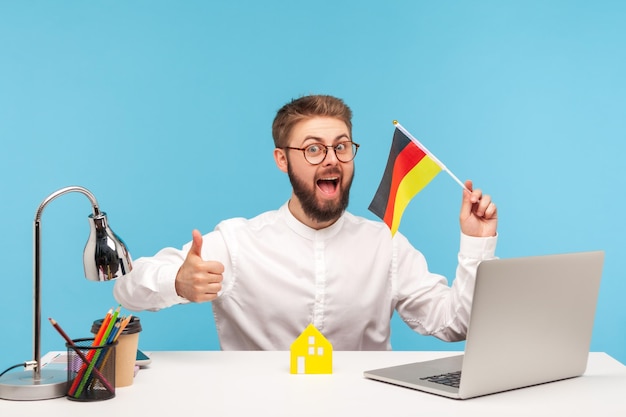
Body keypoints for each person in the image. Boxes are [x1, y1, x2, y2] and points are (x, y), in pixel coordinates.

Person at [113, 94, 498, 350]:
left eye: (342, 146)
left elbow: (454, 324)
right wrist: (177, 282)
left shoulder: (385, 244)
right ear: (282, 160)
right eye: (313, 149)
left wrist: (476, 245)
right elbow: (127, 290)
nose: (331, 159)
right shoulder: (237, 242)